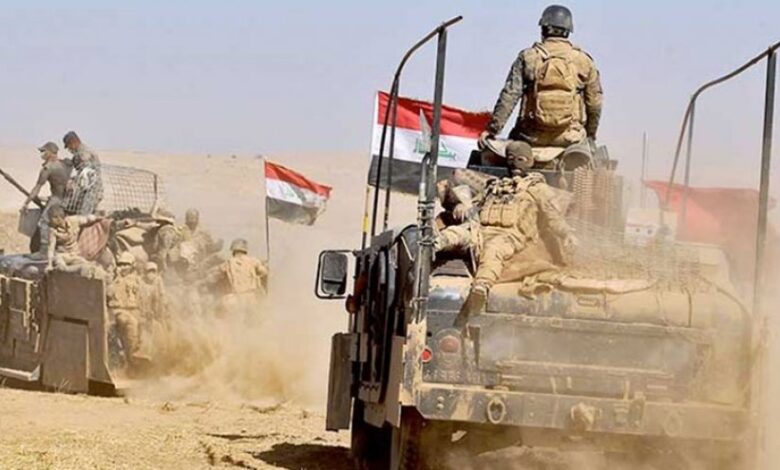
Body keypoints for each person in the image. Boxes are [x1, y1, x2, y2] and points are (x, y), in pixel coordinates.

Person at [435, 141, 576, 325]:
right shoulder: (495, 185)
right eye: (510, 158)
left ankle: (482, 287)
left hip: (510, 236)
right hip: (480, 230)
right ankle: (430, 247)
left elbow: (553, 216)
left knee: (494, 250)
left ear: (530, 161)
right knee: (455, 233)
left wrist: (567, 234)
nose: (515, 163)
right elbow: (475, 205)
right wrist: (460, 205)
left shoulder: (538, 189)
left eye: (521, 159)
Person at [480, 5, 603, 155]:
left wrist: (492, 130)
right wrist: (590, 136)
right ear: (568, 31)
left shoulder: (529, 57)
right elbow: (594, 103)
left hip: (529, 138)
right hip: (570, 139)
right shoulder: (584, 61)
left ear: (543, 29)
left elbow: (509, 96)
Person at [20, 142, 72, 256]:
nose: (42, 154)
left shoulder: (48, 168)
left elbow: (37, 187)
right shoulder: (66, 164)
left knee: (44, 222)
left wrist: (26, 203)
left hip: (57, 199)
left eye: (44, 151)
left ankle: (43, 251)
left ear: (51, 152)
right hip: (68, 199)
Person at [206, 239, 268, 315]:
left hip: (236, 297)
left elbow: (213, 276)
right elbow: (264, 273)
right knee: (258, 317)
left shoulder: (228, 263)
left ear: (233, 250)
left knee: (218, 310)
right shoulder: (254, 261)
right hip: (251, 297)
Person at [107, 251, 145, 367]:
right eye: (121, 264)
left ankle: (136, 357)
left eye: (126, 264)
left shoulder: (137, 280)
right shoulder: (114, 279)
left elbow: (142, 297)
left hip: (134, 310)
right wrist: (116, 278)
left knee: (143, 327)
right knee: (129, 323)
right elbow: (108, 294)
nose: (123, 267)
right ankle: (128, 357)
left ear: (132, 266)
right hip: (117, 311)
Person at [46, 204, 100, 273]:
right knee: (60, 266)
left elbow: (87, 219)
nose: (49, 221)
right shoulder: (52, 230)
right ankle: (72, 269)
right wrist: (49, 264)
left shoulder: (73, 220)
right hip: (62, 255)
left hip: (75, 254)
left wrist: (97, 218)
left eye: (50, 218)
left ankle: (74, 269)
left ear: (58, 218)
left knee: (87, 265)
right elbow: (51, 248)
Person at [63, 131, 103, 214]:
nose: (69, 150)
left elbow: (86, 173)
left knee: (83, 216)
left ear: (73, 142)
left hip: (91, 191)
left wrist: (72, 181)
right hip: (87, 189)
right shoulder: (80, 152)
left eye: (69, 146)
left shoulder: (83, 154)